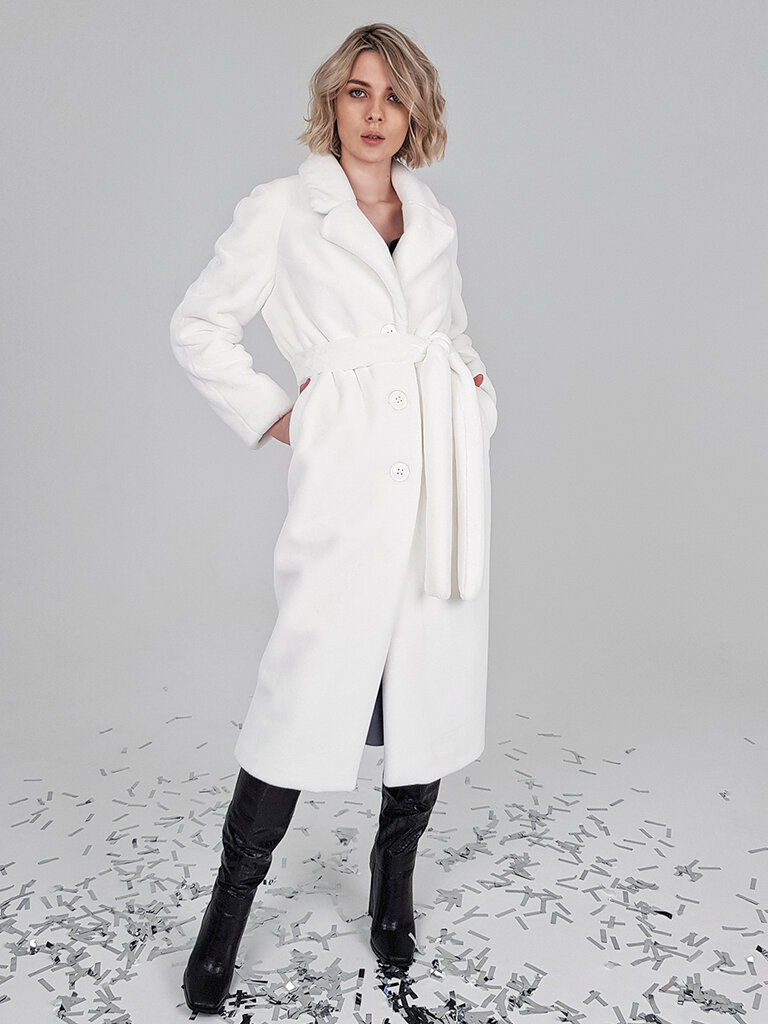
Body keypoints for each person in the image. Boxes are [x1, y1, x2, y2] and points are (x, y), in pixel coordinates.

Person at [169, 22, 498, 1014]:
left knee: (426, 685)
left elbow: (452, 332)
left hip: (442, 481)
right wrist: (283, 415)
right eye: (359, 92)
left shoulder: (433, 218)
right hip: (348, 482)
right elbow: (199, 325)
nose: (374, 113)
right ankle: (227, 915)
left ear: (415, 113)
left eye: (393, 96)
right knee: (303, 688)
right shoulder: (283, 209)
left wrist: (475, 398)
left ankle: (393, 890)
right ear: (333, 102)